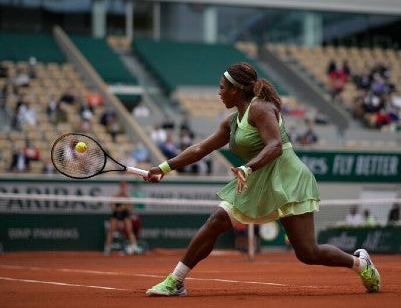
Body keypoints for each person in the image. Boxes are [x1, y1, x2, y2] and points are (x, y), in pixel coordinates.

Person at [142, 62, 380, 296]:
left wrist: (248, 167)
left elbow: (275, 146)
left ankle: (360, 264)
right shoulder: (232, 122)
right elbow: (201, 149)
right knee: (216, 221)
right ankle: (176, 281)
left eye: (222, 87)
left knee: (308, 253)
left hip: (288, 177)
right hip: (255, 176)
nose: (219, 92)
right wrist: (164, 167)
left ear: (235, 90)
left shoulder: (261, 109)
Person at [103, 181, 142, 256]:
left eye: (124, 186)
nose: (123, 188)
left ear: (126, 187)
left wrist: (124, 207)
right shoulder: (115, 196)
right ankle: (107, 249)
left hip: (125, 214)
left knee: (129, 230)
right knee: (111, 231)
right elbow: (111, 206)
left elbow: (131, 207)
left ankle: (134, 247)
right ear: (120, 187)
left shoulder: (128, 196)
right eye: (122, 186)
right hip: (116, 214)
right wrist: (118, 209)